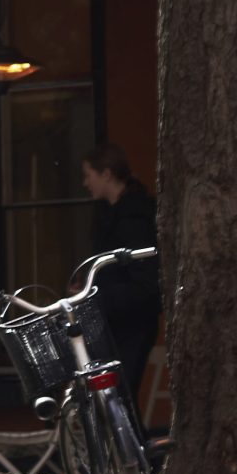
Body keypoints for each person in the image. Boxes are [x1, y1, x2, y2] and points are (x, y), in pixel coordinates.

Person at [81, 142, 161, 414]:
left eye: (89, 174)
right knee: (115, 397)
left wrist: (99, 295)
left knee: (121, 396)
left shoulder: (133, 215)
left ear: (106, 174)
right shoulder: (110, 213)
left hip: (131, 321)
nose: (85, 182)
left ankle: (135, 454)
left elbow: (142, 278)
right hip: (116, 319)